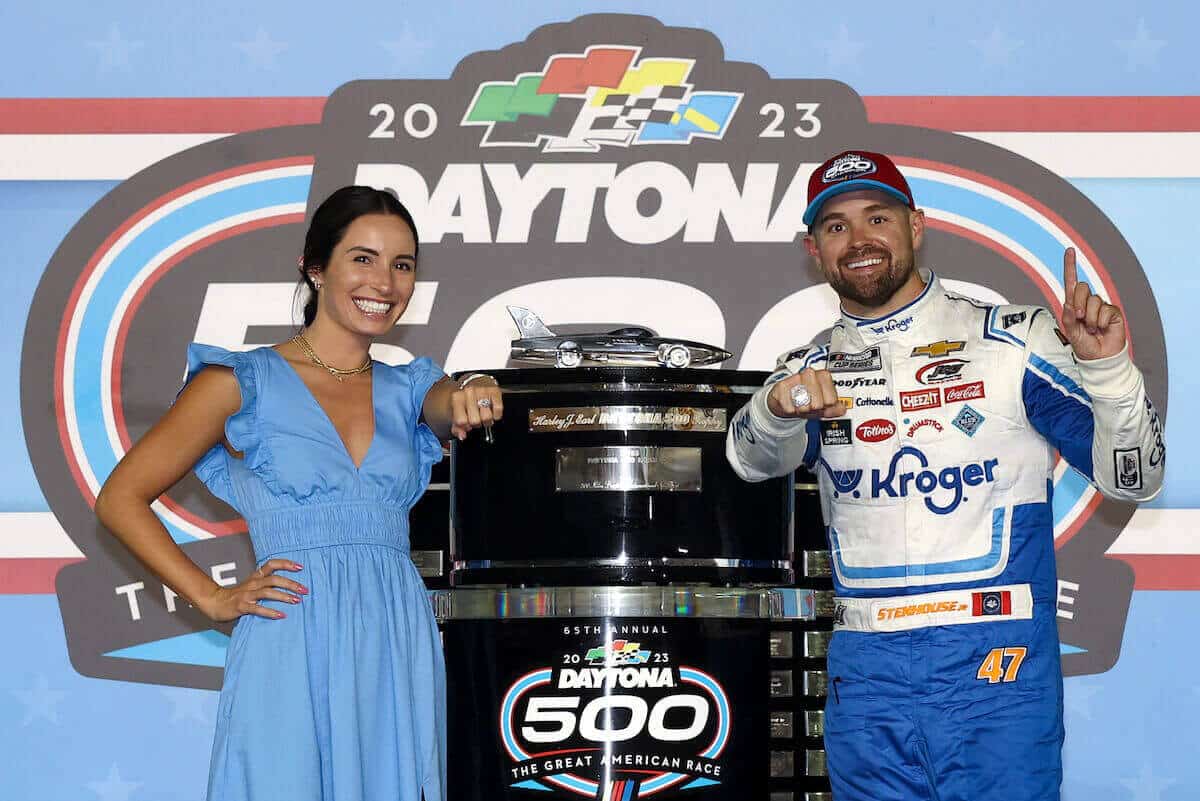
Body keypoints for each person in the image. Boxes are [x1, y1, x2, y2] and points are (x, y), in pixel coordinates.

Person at [726, 150, 1165, 801]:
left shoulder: (1013, 341)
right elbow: (747, 460)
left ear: (916, 225)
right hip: (867, 674)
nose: (860, 240)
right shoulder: (808, 369)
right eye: (837, 226)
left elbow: (1134, 479)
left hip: (995, 664)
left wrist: (1108, 369)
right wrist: (775, 406)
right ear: (813, 249)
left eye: (878, 217)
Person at [95, 186, 502, 801]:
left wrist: (473, 388)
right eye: (362, 259)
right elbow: (120, 498)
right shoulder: (238, 383)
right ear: (315, 267)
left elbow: (449, 405)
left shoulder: (412, 387)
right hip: (292, 629)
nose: (384, 283)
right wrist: (210, 597)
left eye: (403, 264)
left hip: (394, 637)